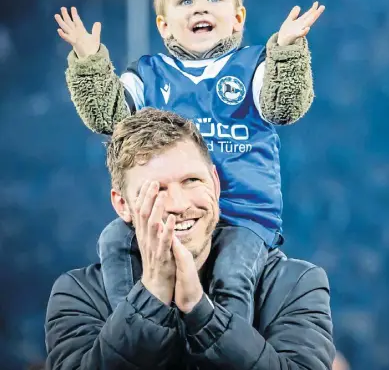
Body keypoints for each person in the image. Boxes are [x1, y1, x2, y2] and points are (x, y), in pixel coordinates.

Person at [53, 0, 325, 322]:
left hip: (243, 217)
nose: (201, 8)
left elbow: (284, 107)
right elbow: (109, 119)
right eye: (186, 1)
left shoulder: (255, 67)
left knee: (231, 277)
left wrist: (288, 52)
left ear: (238, 18)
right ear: (164, 26)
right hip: (163, 215)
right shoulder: (148, 74)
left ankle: (224, 347)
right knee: (114, 241)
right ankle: (135, 330)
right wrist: (89, 62)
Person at [44, 108, 335, 369]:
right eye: (155, 189)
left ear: (216, 183)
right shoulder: (77, 295)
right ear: (122, 205)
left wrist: (203, 314)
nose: (179, 204)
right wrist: (152, 296)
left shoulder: (295, 285)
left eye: (192, 181)